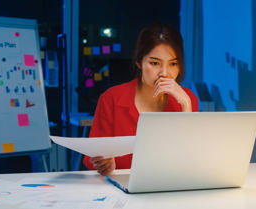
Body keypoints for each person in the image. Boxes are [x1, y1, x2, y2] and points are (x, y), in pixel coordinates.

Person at [83, 22, 199, 176]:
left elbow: (192, 163)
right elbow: (92, 158)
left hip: (170, 190)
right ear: (139, 62)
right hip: (120, 190)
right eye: (155, 63)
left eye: (173, 64)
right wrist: (105, 164)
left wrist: (186, 107)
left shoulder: (187, 99)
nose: (165, 73)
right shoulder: (111, 98)